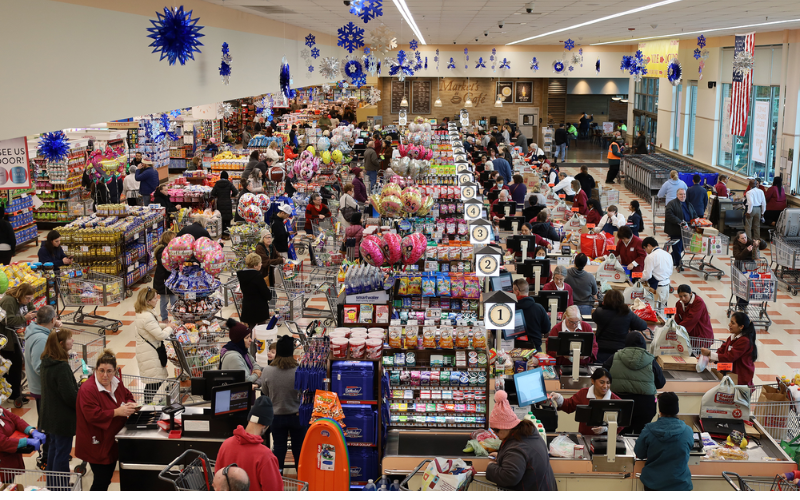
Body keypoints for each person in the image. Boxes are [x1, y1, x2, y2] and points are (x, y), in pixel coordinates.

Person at [76, 350, 136, 490]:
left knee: (106, 479)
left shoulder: (116, 382)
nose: (105, 375)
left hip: (111, 440)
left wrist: (130, 403)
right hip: (96, 442)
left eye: (109, 371)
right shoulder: (88, 389)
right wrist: (116, 412)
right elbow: (92, 415)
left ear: (115, 371)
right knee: (101, 481)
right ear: (96, 370)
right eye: (101, 370)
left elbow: (127, 395)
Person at [485, 390, 557, 491]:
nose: (495, 434)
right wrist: (502, 456)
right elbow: (523, 460)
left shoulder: (517, 448)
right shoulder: (528, 434)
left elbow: (509, 477)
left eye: (496, 430)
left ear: (506, 427)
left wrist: (490, 468)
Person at [603, 331, 665, 435]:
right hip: (645, 406)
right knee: (640, 437)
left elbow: (603, 375)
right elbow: (660, 383)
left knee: (619, 436)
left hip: (620, 403)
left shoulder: (614, 357)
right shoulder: (651, 360)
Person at [215, 396, 282, 491]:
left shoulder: (226, 445)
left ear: (249, 419)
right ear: (265, 426)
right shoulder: (265, 455)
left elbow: (218, 478)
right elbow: (274, 490)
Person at [39, 328, 79, 488]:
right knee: (62, 453)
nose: (73, 341)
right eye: (70, 339)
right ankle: (61, 487)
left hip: (49, 415)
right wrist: (81, 401)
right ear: (61, 344)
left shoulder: (46, 362)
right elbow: (69, 396)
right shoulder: (61, 367)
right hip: (62, 418)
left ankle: (52, 486)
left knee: (54, 451)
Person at [261, 335, 305, 471]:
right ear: (292, 353)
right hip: (297, 416)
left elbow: (265, 392)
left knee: (279, 448)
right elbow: (304, 391)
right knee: (299, 449)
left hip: (276, 416)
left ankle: (277, 480)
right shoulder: (299, 370)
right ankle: (302, 479)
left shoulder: (267, 370)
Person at [634, 392, 694, 491]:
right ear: (677, 409)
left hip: (653, 484)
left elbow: (639, 453)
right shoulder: (687, 430)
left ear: (660, 410)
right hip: (680, 485)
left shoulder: (649, 429)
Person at [549, 368, 622, 436]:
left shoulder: (616, 400)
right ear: (593, 381)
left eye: (608, 383)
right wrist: (558, 397)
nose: (605, 386)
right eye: (602, 382)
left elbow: (622, 423)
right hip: (584, 437)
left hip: (607, 440)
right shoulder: (583, 393)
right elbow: (569, 405)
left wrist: (606, 428)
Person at [134, 287, 175, 403]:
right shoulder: (146, 316)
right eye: (154, 298)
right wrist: (170, 329)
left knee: (154, 380)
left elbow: (153, 327)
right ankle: (147, 403)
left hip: (147, 349)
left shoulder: (144, 312)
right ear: (147, 301)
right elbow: (160, 336)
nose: (157, 300)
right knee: (155, 380)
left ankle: (148, 402)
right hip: (150, 353)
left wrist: (166, 326)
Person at [700, 312, 757, 387]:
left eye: (733, 323)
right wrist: (707, 358)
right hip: (730, 373)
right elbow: (722, 350)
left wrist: (710, 354)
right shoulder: (732, 337)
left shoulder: (745, 341)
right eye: (730, 322)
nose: (729, 324)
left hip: (740, 377)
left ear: (741, 327)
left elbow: (729, 357)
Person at [23, 305, 61, 417]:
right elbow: (39, 367)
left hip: (39, 386)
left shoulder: (33, 329)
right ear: (52, 319)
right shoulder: (41, 339)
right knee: (47, 423)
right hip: (42, 388)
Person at [0, 283, 36, 400]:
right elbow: (7, 320)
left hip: (17, 335)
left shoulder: (26, 299)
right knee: (14, 365)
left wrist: (34, 313)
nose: (29, 300)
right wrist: (24, 318)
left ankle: (13, 391)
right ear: (20, 294)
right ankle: (14, 395)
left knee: (17, 364)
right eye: (27, 298)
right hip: (7, 338)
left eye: (31, 298)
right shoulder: (8, 300)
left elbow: (31, 309)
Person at [592, 290, 648, 363]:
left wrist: (601, 304)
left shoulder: (599, 313)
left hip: (601, 351)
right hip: (620, 352)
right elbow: (643, 326)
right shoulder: (627, 313)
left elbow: (595, 314)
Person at [0, 403, 43, 474]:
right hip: (3, 462)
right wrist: (26, 441)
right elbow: (2, 442)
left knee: (11, 483)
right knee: (5, 483)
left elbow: (15, 419)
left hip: (11, 457)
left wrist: (31, 430)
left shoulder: (1, 410)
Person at [236, 253, 273, 329]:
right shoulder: (257, 276)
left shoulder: (242, 276)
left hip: (247, 308)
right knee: (261, 331)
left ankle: (251, 341)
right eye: (260, 263)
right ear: (255, 266)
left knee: (251, 330)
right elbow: (267, 295)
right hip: (259, 309)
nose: (261, 265)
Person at [512, 279, 550, 351]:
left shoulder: (511, 309)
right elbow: (546, 329)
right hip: (535, 349)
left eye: (513, 291)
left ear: (517, 292)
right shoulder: (539, 308)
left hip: (516, 350)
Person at [221, 318, 262, 384]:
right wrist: (257, 374)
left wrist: (256, 369)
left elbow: (254, 363)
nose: (251, 340)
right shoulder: (233, 357)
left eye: (250, 336)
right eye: (247, 337)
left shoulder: (243, 350)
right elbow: (247, 380)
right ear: (239, 340)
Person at [665, 188, 696, 267]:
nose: (683, 196)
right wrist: (679, 222)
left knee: (683, 247)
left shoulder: (689, 204)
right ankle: (679, 264)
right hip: (676, 230)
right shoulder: (672, 204)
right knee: (677, 247)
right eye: (681, 194)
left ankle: (671, 257)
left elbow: (694, 213)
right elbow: (669, 215)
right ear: (677, 195)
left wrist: (697, 220)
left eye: (684, 194)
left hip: (687, 230)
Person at [152, 231, 177, 320]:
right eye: (172, 238)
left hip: (169, 279)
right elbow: (166, 265)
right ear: (167, 239)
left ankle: (176, 318)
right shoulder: (162, 250)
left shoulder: (169, 248)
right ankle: (164, 318)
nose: (175, 240)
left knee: (174, 299)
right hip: (164, 280)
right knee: (165, 300)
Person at [641, 237, 673, 306]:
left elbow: (647, 275)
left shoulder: (650, 257)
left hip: (657, 288)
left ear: (649, 245)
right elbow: (670, 271)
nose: (646, 251)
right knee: (663, 308)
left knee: (655, 310)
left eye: (645, 248)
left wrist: (640, 279)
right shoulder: (668, 254)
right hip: (667, 286)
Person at [211, 171, 238, 236]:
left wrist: (218, 195)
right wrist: (232, 195)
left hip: (220, 203)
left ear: (220, 177)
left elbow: (212, 193)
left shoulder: (217, 184)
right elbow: (235, 191)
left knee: (221, 219)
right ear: (227, 177)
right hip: (228, 202)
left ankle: (222, 234)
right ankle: (227, 234)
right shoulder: (229, 183)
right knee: (227, 219)